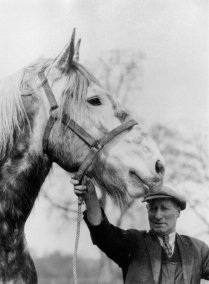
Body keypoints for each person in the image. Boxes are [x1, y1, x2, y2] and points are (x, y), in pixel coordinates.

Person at [71, 176, 209, 284]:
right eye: (153, 208)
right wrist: (90, 196)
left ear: (178, 212)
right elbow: (102, 233)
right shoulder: (133, 243)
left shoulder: (198, 249)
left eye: (164, 209)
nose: (158, 215)